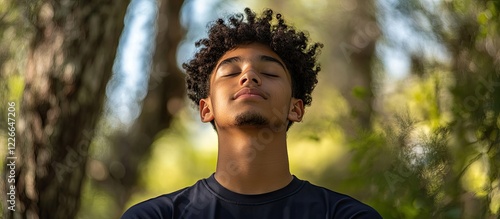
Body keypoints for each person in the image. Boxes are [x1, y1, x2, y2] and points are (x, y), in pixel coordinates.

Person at [122, 7, 382, 219]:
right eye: (231, 73)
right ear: (206, 109)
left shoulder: (345, 216)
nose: (249, 76)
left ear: (295, 108)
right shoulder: (154, 216)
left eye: (269, 73)